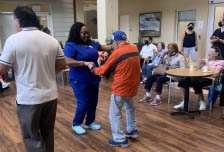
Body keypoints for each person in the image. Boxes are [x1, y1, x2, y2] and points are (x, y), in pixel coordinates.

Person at [0, 6, 66, 152]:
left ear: (18, 21)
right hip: (50, 96)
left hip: (28, 99)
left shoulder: (13, 40)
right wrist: (48, 73)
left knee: (31, 137)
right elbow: (62, 64)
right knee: (48, 134)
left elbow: (2, 69)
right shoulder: (51, 40)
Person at [87, 31, 140, 147]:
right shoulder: (134, 48)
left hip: (121, 87)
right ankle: (132, 131)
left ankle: (120, 139)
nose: (112, 46)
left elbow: (102, 71)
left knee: (115, 114)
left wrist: (92, 67)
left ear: (115, 42)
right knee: (130, 108)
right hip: (133, 86)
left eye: (112, 43)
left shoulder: (117, 52)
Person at [63, 22, 111, 135]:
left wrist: (115, 45)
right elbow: (67, 61)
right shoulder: (71, 45)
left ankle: (89, 122)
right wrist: (84, 63)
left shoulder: (91, 43)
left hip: (93, 77)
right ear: (76, 33)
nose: (86, 35)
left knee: (93, 101)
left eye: (87, 33)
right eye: (83, 33)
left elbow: (102, 47)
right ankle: (76, 123)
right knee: (84, 102)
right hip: (79, 79)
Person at [174, 46, 224, 111]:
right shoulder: (205, 60)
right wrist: (200, 64)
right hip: (200, 77)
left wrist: (206, 64)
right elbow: (198, 70)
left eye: (211, 51)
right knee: (182, 81)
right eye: (209, 51)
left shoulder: (221, 62)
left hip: (211, 79)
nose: (209, 52)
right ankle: (184, 102)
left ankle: (202, 101)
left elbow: (216, 73)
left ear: (216, 54)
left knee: (197, 83)